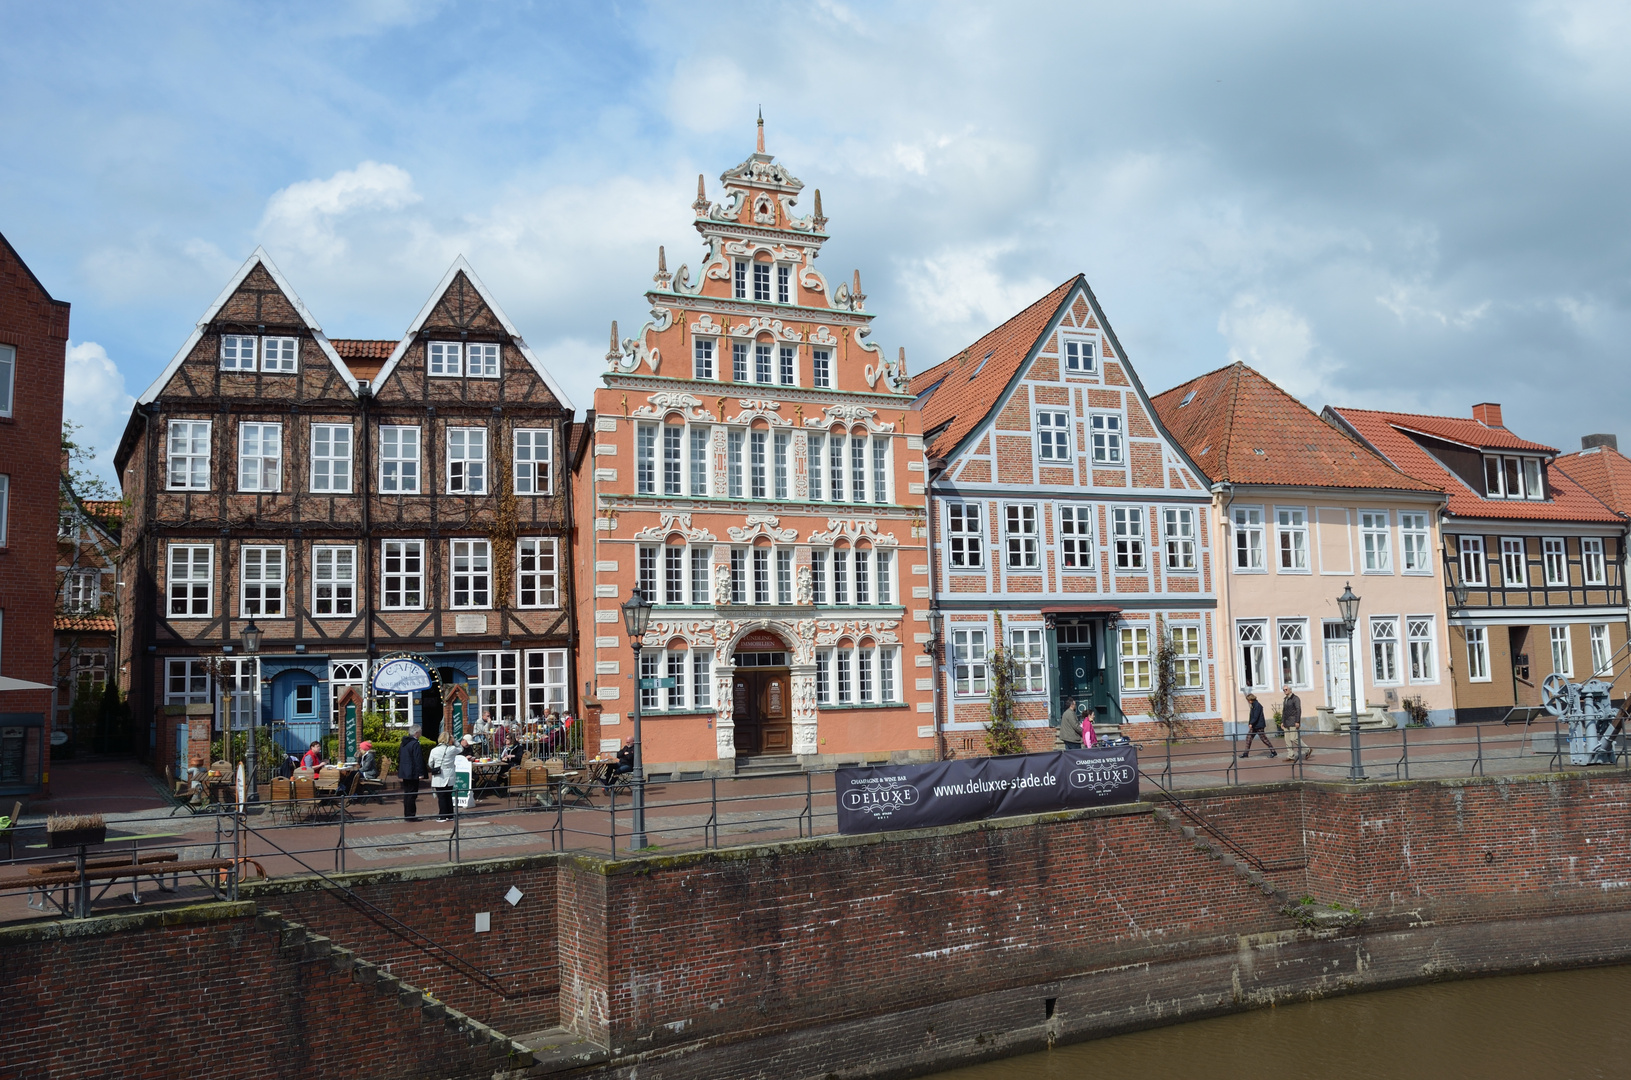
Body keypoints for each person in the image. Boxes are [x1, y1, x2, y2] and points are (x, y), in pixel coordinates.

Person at [398, 725, 428, 822]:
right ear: (416, 733)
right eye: (420, 732)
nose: (420, 734)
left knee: (407, 794)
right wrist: (420, 773)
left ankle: (407, 814)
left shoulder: (404, 743)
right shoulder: (415, 744)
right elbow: (418, 759)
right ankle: (411, 815)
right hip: (412, 772)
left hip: (405, 771)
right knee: (412, 794)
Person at [428, 731, 459, 821]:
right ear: (448, 739)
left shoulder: (434, 750)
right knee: (448, 795)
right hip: (450, 774)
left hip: (439, 775)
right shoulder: (452, 749)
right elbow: (461, 749)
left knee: (441, 796)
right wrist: (455, 741)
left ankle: (442, 816)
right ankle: (450, 815)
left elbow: (430, 763)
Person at [1241, 693, 1277, 758]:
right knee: (1248, 738)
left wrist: (1251, 723)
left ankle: (1273, 751)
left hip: (1259, 725)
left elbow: (1256, 716)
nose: (1248, 701)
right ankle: (1246, 753)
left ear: (1251, 699)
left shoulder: (1257, 705)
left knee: (1264, 739)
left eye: (1248, 700)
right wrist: (1250, 723)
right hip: (1254, 725)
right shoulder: (1253, 705)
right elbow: (1251, 716)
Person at [1282, 686, 1308, 763]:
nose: (1284, 691)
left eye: (1286, 689)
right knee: (1287, 740)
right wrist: (1282, 721)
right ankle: (1290, 755)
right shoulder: (1285, 699)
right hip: (1286, 722)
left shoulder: (1295, 698)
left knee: (1294, 738)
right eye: (1283, 690)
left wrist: (1297, 721)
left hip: (1293, 721)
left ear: (1290, 690)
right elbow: (1284, 711)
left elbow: (1298, 710)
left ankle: (1307, 749)